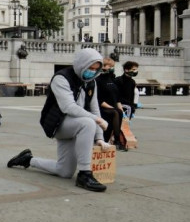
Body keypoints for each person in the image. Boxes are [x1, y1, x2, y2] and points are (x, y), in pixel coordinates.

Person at [6, 48, 111, 192]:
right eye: (90, 68)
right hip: (58, 123)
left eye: (95, 69)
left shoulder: (91, 82)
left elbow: (94, 108)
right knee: (88, 123)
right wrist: (97, 120)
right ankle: (85, 174)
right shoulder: (61, 78)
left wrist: (99, 138)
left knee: (64, 172)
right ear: (81, 64)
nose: (92, 72)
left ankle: (28, 159)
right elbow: (68, 107)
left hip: (76, 125)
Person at [96, 57, 127, 151]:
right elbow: (99, 99)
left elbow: (117, 97)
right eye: (106, 65)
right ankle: (117, 140)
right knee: (115, 112)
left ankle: (116, 139)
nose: (109, 68)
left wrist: (120, 108)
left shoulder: (112, 80)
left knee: (119, 112)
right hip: (103, 107)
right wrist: (113, 108)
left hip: (113, 107)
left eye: (111, 66)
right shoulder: (97, 80)